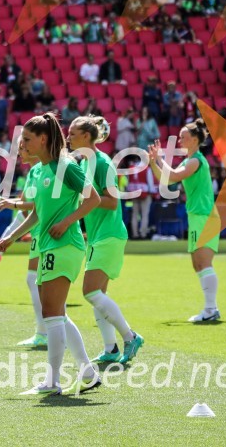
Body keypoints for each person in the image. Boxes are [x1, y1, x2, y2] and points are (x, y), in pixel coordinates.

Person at [0, 114, 101, 395]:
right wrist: (11, 237)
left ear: (43, 139)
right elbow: (37, 214)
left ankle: (52, 382)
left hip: (64, 245)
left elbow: (93, 198)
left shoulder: (65, 166)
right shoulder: (43, 169)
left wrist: (66, 222)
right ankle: (88, 373)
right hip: (49, 246)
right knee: (57, 314)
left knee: (52, 315)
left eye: (27, 139)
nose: (22, 144)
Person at [68, 116, 143, 364]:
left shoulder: (101, 163)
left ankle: (130, 336)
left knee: (90, 292)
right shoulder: (84, 163)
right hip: (99, 236)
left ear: (86, 136)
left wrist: (85, 198)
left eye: (73, 134)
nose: (68, 137)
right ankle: (110, 349)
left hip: (109, 235)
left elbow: (111, 202)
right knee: (97, 294)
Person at [148, 119, 221, 322]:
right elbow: (166, 179)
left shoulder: (195, 161)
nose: (180, 140)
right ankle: (210, 309)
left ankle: (211, 309)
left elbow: (172, 176)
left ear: (195, 140)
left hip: (204, 216)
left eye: (183, 137)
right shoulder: (189, 161)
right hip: (199, 216)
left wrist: (159, 159)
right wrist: (154, 162)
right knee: (198, 264)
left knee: (203, 263)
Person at [0, 149, 48, 347]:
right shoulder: (33, 172)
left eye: (24, 146)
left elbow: (37, 206)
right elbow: (26, 205)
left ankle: (48, 333)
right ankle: (44, 332)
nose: (19, 152)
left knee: (42, 282)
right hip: (38, 231)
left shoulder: (45, 170)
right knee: (35, 280)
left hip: (47, 232)